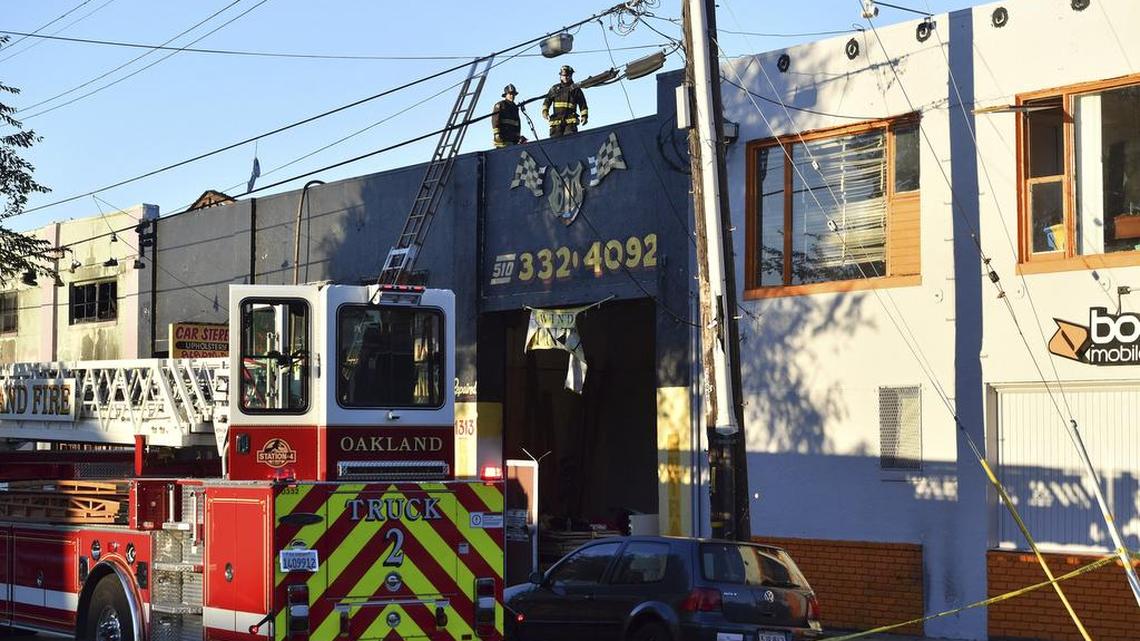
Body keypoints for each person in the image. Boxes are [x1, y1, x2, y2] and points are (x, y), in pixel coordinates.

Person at [542, 65, 588, 138]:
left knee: (570, 141)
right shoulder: (554, 89)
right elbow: (547, 101)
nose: (565, 77)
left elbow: (582, 104)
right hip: (556, 121)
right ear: (560, 76)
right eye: (563, 75)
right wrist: (545, 111)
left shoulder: (576, 89)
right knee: (555, 143)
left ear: (571, 76)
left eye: (568, 75)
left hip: (570, 121)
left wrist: (584, 116)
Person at [492, 84, 527, 148]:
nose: (512, 96)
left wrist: (518, 137)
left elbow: (517, 123)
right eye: (510, 94)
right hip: (502, 140)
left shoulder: (515, 107)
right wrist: (497, 134)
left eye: (513, 94)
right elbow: (495, 120)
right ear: (505, 95)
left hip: (512, 140)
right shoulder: (500, 105)